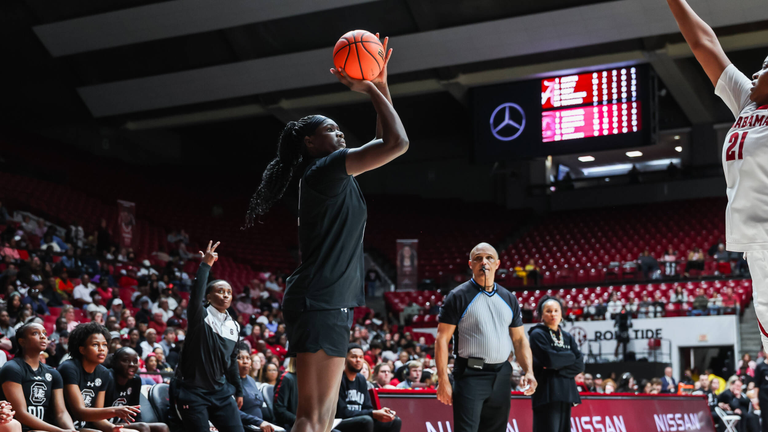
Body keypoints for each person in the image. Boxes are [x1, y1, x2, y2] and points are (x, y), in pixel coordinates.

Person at [244, 35, 407, 432]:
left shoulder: (332, 175)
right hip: (320, 299)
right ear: (310, 142)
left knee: (318, 418)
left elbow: (383, 138)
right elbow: (398, 143)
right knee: (313, 418)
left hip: (323, 299)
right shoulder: (324, 170)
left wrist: (381, 82)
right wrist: (368, 87)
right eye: (332, 130)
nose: (340, 135)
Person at [667, 0, 768, 351]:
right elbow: (704, 44)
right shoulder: (748, 102)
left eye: (764, 69)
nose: (754, 74)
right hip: (756, 245)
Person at [435, 243, 536, 432]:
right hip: (470, 375)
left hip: (502, 375)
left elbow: (520, 340)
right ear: (470, 264)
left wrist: (528, 371)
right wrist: (443, 380)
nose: (484, 262)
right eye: (478, 258)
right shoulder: (457, 296)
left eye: (489, 258)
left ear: (497, 264)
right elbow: (441, 340)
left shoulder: (509, 298)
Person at [173, 241, 244, 432]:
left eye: (229, 292)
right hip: (193, 391)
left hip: (220, 392)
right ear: (209, 297)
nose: (226, 295)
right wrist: (205, 265)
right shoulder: (200, 316)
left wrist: (238, 389)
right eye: (220, 291)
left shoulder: (234, 325)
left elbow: (232, 360)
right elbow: (195, 295)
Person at [58, 322, 141, 430]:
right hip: (64, 427)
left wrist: (112, 428)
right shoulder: (69, 368)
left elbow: (98, 416)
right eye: (95, 345)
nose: (102, 349)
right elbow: (79, 412)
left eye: (105, 345)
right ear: (82, 349)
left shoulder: (103, 373)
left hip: (85, 427)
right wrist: (114, 410)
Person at [0, 323, 72, 432]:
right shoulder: (12, 368)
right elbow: (21, 414)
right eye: (35, 333)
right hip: (22, 428)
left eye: (44, 333)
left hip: (48, 428)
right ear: (22, 341)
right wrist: (60, 431)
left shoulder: (53, 373)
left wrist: (71, 430)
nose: (43, 336)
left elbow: (61, 412)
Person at [529, 297, 584, 432]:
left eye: (556, 311)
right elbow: (550, 360)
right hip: (546, 392)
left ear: (561, 314)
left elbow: (580, 364)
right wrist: (568, 358)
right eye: (548, 311)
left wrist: (556, 369)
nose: (553, 314)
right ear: (542, 315)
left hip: (565, 392)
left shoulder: (567, 336)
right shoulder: (537, 334)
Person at [335, 344, 401, 432]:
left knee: (395, 420)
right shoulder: (338, 379)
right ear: (345, 360)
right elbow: (342, 412)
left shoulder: (361, 379)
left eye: (361, 357)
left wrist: (380, 412)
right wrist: (372, 413)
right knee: (366, 420)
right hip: (339, 422)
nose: (358, 360)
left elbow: (368, 407)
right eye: (354, 357)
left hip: (360, 419)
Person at [104, 347, 169, 432]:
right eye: (126, 360)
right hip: (104, 422)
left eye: (135, 361)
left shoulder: (135, 380)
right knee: (142, 427)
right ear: (115, 362)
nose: (131, 364)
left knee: (162, 427)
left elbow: (135, 410)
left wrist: (137, 423)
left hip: (120, 422)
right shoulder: (107, 377)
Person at [235, 343, 278, 432]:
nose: (245, 361)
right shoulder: (229, 381)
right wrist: (259, 422)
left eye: (248, 358)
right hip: (243, 427)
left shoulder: (251, 380)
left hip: (258, 427)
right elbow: (231, 411)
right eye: (240, 358)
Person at [753, 356, 768, 430]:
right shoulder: (760, 366)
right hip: (764, 396)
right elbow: (756, 384)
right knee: (766, 418)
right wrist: (755, 398)